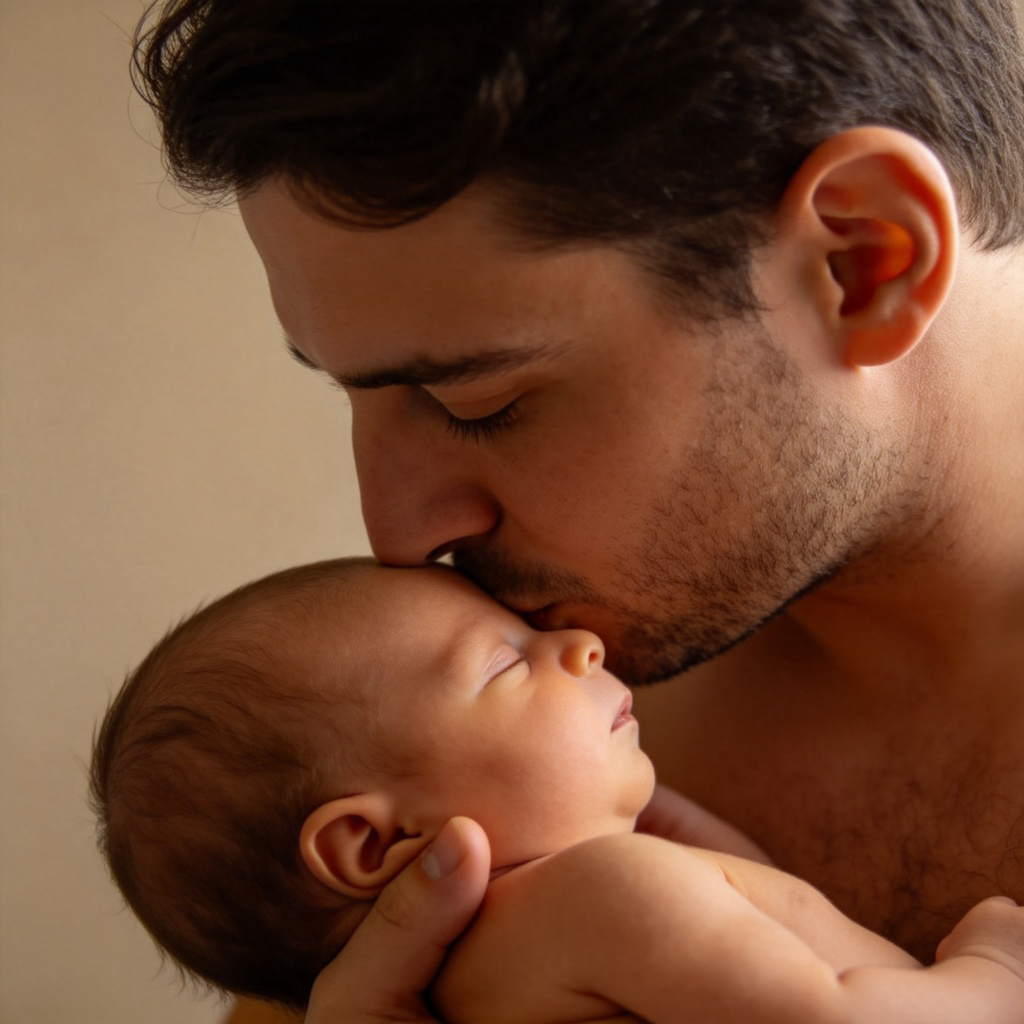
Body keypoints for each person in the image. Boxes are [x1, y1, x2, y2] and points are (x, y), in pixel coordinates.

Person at [130, 2, 1024, 1021]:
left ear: (864, 259)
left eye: (482, 403)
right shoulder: (469, 753)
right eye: (353, 393)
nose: (397, 534)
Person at [91, 558, 1024, 1021]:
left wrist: (724, 865)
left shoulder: (487, 975)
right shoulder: (601, 895)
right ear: (373, 846)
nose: (578, 647)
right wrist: (993, 973)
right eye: (505, 662)